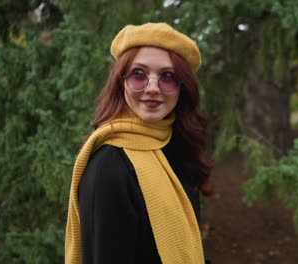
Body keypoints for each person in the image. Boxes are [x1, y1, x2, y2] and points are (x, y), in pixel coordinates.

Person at [64, 23, 211, 264]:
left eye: (169, 77)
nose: (152, 89)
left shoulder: (176, 149)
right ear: (120, 82)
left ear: (182, 88)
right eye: (138, 75)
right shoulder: (110, 167)